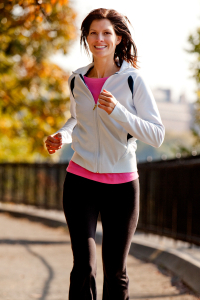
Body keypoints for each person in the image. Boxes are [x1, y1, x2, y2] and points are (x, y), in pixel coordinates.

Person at [44, 8, 165, 300]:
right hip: (80, 181)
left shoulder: (132, 80)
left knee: (115, 269)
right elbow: (76, 120)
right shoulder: (76, 80)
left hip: (122, 186)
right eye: (93, 33)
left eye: (106, 33)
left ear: (118, 37)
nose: (100, 39)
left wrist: (120, 112)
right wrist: (62, 135)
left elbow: (157, 134)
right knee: (83, 265)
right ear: (86, 37)